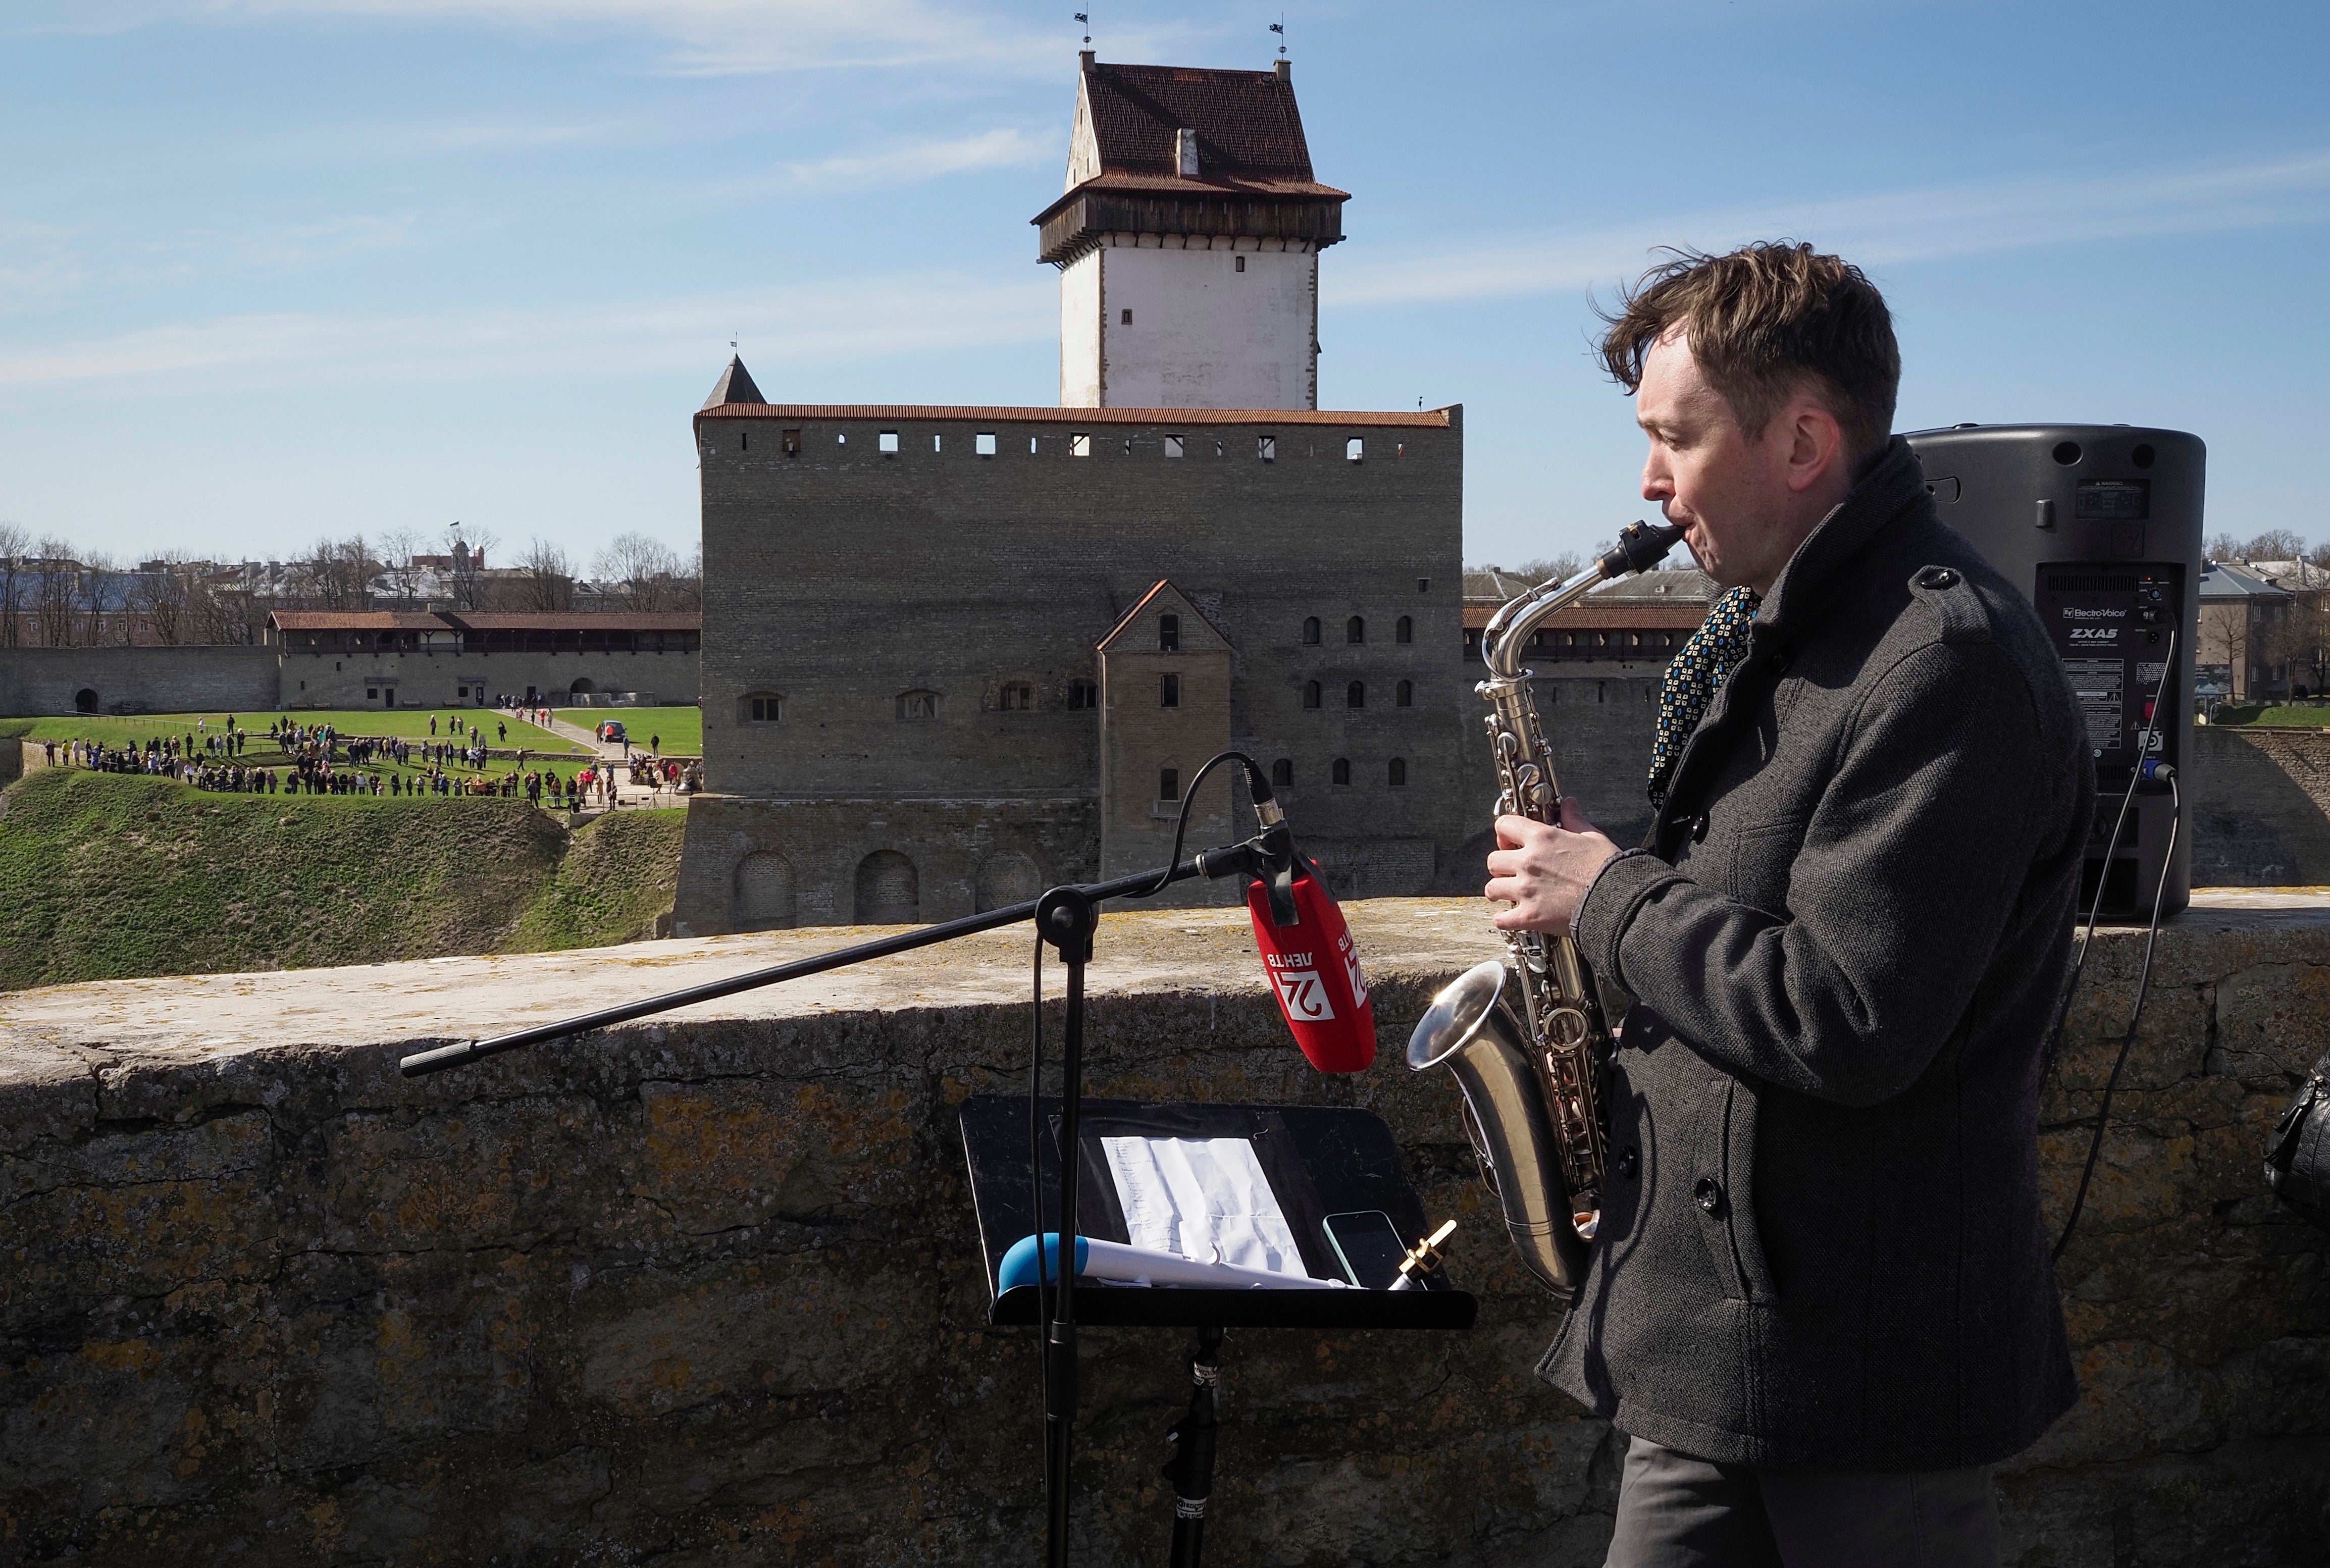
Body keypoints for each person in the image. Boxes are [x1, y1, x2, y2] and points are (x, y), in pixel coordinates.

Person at [1482, 244, 2091, 1565]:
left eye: (1674, 440)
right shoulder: (1788, 628)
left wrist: (1609, 893)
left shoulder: (1944, 665)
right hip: (1713, 1345)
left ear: (1805, 439)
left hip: (1869, 1366)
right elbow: (1748, 903)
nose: (1648, 482)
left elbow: (1850, 1012)